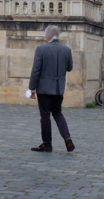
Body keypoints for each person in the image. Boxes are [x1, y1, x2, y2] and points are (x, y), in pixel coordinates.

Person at [28, 24, 75, 153]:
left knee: (45, 116)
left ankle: (47, 144)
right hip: (59, 88)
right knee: (58, 113)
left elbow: (36, 70)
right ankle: (67, 137)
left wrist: (31, 88)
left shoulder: (41, 49)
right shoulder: (66, 50)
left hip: (44, 89)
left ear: (47, 36)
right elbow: (69, 67)